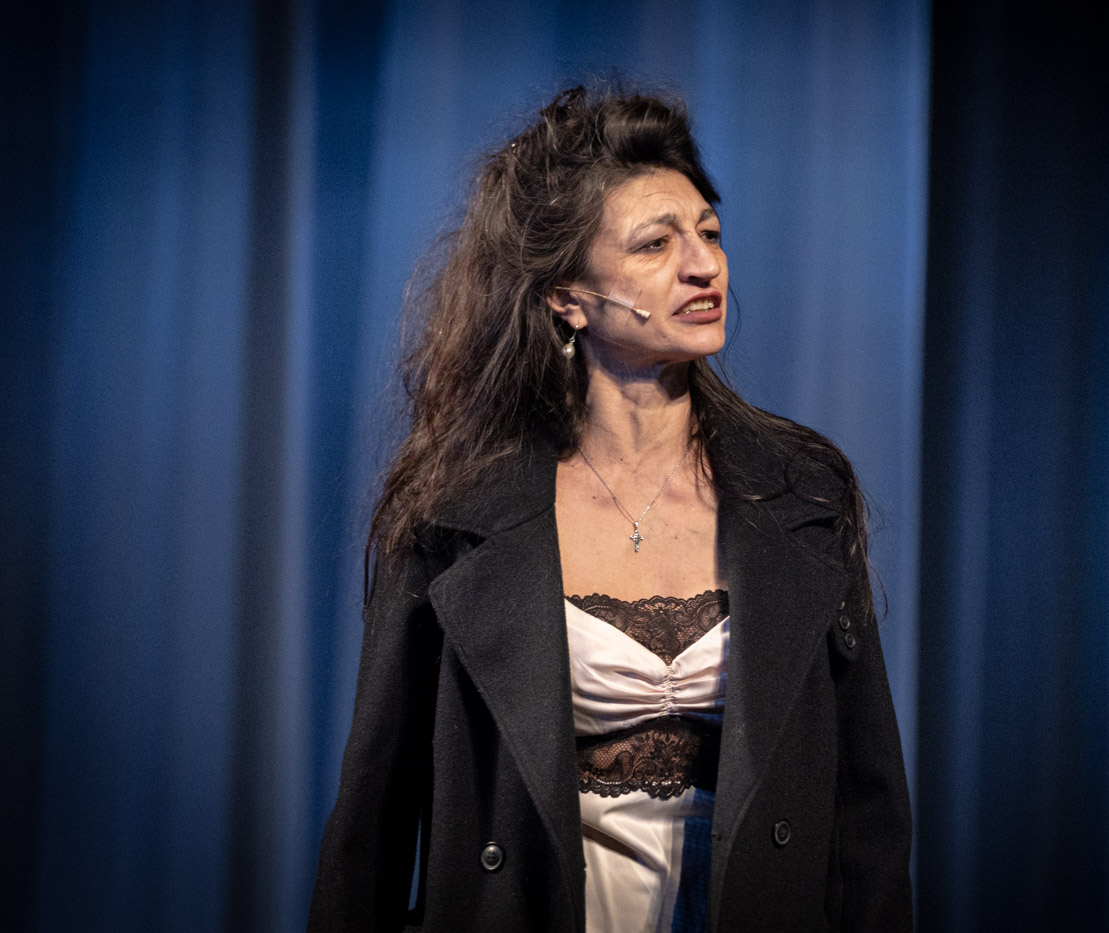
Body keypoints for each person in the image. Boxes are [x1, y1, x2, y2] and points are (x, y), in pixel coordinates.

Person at [308, 85, 911, 933]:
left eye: (709, 233)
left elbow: (868, 810)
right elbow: (373, 818)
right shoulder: (455, 513)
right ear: (568, 296)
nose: (702, 265)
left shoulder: (801, 491)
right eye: (655, 244)